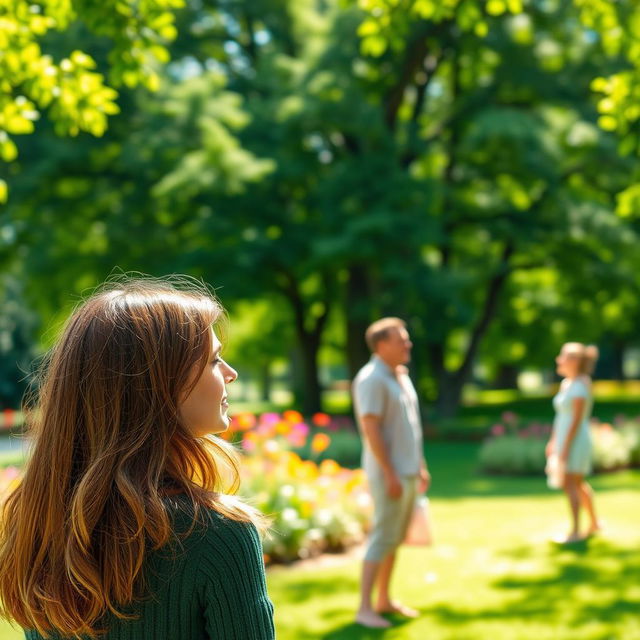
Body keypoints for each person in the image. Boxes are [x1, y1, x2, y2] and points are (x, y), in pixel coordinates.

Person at [0, 277, 275, 639]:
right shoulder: (218, 535)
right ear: (161, 384)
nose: (230, 373)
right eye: (213, 359)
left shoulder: (38, 523)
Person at [351, 317, 431, 629]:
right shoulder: (372, 378)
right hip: (390, 474)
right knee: (382, 537)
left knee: (395, 538)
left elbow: (409, 428)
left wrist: (419, 466)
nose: (408, 344)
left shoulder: (400, 375)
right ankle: (364, 609)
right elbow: (371, 430)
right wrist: (390, 473)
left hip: (407, 471)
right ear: (382, 344)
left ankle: (384, 600)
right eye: (402, 340)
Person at [546, 341, 601, 543]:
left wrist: (565, 448)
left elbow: (576, 421)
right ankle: (594, 523)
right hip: (565, 438)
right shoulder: (567, 384)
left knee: (571, 484)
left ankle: (576, 531)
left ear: (574, 360)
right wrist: (553, 442)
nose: (559, 359)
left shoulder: (580, 384)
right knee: (577, 484)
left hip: (575, 440)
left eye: (564, 355)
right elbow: (561, 418)